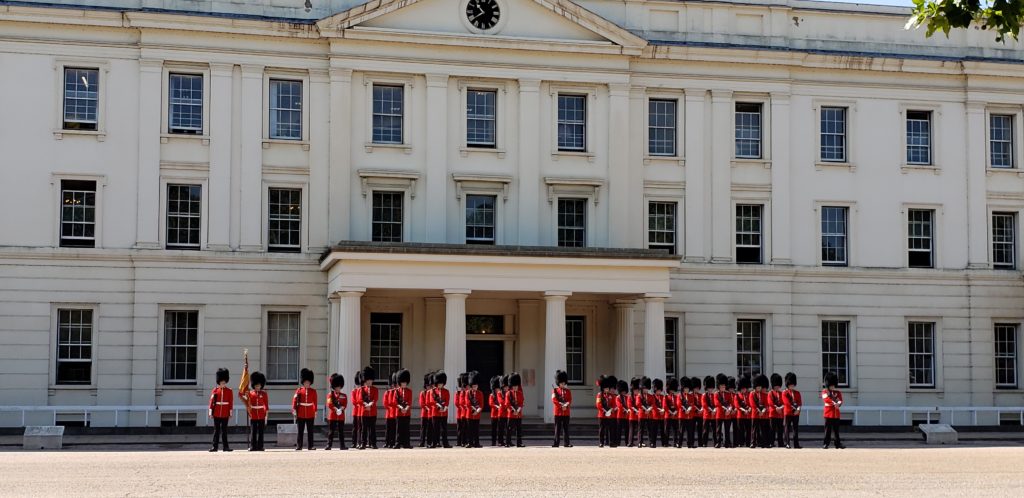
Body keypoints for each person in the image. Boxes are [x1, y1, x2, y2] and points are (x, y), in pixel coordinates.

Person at [241, 370, 268, 451]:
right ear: (254, 385)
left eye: (259, 385)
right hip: (253, 414)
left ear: (261, 385)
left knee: (261, 432)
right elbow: (245, 400)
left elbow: (266, 405)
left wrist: (266, 416)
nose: (257, 387)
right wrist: (244, 394)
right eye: (256, 385)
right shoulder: (250, 393)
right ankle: (253, 446)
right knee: (253, 431)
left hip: (261, 414)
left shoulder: (264, 393)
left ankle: (260, 446)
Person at [208, 368, 233, 452]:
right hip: (217, 413)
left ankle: (226, 447)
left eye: (224, 383)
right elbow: (211, 402)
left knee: (224, 431)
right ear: (219, 382)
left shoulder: (229, 391)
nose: (223, 384)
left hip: (225, 413)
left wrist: (230, 413)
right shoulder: (215, 391)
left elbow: (230, 402)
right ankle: (214, 447)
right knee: (216, 431)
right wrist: (211, 412)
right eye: (222, 383)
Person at [292, 367, 317, 451]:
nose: (307, 384)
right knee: (300, 431)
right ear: (303, 382)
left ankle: (311, 446)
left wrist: (315, 411)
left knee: (310, 431)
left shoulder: (313, 391)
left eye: (308, 382)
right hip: (301, 412)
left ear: (310, 383)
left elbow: (315, 402)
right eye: (306, 382)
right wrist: (294, 409)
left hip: (310, 412)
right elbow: (294, 400)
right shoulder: (299, 390)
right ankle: (299, 446)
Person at [324, 373, 348, 450]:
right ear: (334, 386)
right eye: (337, 386)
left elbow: (345, 404)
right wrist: (335, 409)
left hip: (341, 416)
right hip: (333, 416)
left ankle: (342, 445)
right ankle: (329, 445)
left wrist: (341, 409)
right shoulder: (330, 395)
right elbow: (329, 404)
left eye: (339, 386)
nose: (338, 388)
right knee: (331, 432)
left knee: (341, 432)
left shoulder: (344, 395)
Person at [822, 371, 845, 449]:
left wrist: (838, 403)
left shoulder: (837, 392)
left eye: (833, 385)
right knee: (827, 431)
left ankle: (837, 443)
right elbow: (826, 399)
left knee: (836, 431)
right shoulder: (825, 392)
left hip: (836, 414)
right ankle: (826, 444)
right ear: (828, 385)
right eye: (831, 385)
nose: (832, 387)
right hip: (828, 414)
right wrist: (834, 403)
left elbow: (840, 400)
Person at [358, 366, 379, 449]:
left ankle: (373, 443)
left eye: (370, 380)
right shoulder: (362, 389)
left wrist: (370, 404)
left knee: (372, 429)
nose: (369, 382)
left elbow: (375, 398)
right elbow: (360, 399)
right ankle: (363, 443)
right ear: (365, 380)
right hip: (364, 411)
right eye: (368, 380)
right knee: (364, 429)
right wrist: (365, 405)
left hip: (372, 411)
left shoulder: (375, 389)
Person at [552, 370, 573, 447]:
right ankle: (556, 443)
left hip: (566, 412)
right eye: (561, 383)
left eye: (564, 383)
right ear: (558, 383)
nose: (563, 385)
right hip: (558, 412)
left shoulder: (568, 391)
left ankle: (566, 443)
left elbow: (569, 400)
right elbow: (554, 400)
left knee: (566, 429)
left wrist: (566, 405)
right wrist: (561, 406)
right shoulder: (555, 391)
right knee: (557, 429)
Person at [430, 371, 451, 448]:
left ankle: (445, 443)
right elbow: (432, 401)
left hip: (444, 413)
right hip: (436, 413)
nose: (440, 385)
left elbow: (447, 401)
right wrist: (439, 407)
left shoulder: (446, 391)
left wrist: (444, 408)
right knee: (435, 429)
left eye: (441, 384)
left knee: (444, 429)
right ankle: (434, 443)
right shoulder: (433, 391)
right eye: (439, 384)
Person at [750, 373, 770, 448]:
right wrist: (759, 411)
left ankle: (763, 443)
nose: (759, 388)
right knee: (754, 430)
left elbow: (766, 404)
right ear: (755, 387)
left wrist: (763, 411)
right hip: (755, 414)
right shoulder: (752, 394)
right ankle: (753, 443)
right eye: (757, 387)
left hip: (762, 415)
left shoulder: (763, 394)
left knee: (763, 430)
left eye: (760, 387)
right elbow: (752, 404)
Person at [783, 372, 802, 449]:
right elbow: (786, 402)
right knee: (787, 428)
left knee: (795, 429)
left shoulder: (797, 393)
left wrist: (798, 410)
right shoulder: (785, 393)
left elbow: (799, 402)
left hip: (796, 413)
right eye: (791, 385)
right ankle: (787, 443)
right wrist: (794, 408)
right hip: (788, 412)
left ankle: (796, 444)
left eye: (793, 385)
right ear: (788, 384)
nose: (792, 386)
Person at [505, 372, 524, 447]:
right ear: (511, 386)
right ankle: (508, 442)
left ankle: (519, 443)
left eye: (516, 386)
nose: (515, 387)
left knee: (519, 429)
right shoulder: (508, 393)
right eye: (514, 386)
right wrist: (513, 411)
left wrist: (518, 410)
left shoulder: (520, 393)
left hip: (518, 414)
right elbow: (507, 404)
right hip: (511, 414)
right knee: (509, 429)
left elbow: (521, 402)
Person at [395, 369, 413, 449]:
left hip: (407, 412)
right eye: (402, 382)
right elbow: (395, 401)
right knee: (399, 429)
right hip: (399, 412)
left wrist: (406, 408)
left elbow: (409, 401)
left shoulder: (409, 391)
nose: (404, 384)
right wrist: (401, 408)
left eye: (405, 382)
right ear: (400, 382)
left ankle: (406, 443)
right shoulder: (396, 391)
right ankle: (398, 443)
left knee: (406, 429)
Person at [466, 371, 484, 448]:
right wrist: (473, 410)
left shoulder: (480, 393)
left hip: (477, 414)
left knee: (476, 430)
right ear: (471, 386)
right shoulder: (468, 393)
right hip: (469, 414)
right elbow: (467, 403)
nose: (474, 388)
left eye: (476, 386)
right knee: (469, 430)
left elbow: (481, 404)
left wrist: (477, 411)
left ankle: (476, 443)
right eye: (473, 386)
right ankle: (470, 443)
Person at [734, 375, 752, 449]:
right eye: (742, 388)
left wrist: (749, 409)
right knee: (740, 430)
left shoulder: (749, 395)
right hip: (740, 415)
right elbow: (737, 405)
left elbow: (751, 403)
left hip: (748, 415)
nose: (744, 390)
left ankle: (748, 443)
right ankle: (740, 443)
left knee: (748, 430)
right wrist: (744, 410)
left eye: (745, 388)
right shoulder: (737, 396)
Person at [769, 373, 786, 448]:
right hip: (773, 413)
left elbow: (784, 402)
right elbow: (770, 402)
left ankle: (780, 443)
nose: (777, 387)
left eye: (778, 386)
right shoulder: (770, 393)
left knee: (780, 430)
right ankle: (771, 442)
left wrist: (781, 408)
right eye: (776, 386)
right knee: (772, 430)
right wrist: (776, 408)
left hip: (780, 414)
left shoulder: (782, 393)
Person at [700, 375, 716, 448]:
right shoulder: (704, 395)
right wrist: (711, 410)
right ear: (707, 388)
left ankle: (716, 442)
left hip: (713, 415)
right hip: (706, 415)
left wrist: (714, 410)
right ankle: (704, 443)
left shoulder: (714, 395)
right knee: (705, 430)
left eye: (712, 388)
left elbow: (716, 404)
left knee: (715, 430)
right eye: (709, 388)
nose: (711, 389)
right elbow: (704, 405)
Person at [488, 375, 504, 446]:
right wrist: (497, 406)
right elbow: (491, 403)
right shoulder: (492, 395)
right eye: (496, 388)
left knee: (501, 429)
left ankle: (500, 441)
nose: (498, 390)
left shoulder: (501, 394)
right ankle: (493, 442)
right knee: (493, 430)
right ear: (494, 388)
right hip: (494, 414)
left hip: (500, 414)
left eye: (498, 388)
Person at [649, 378, 664, 448]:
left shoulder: (662, 397)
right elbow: (653, 405)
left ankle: (664, 443)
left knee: (662, 431)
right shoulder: (652, 397)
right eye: (658, 390)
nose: (659, 391)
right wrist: (659, 410)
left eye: (660, 390)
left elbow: (664, 404)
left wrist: (663, 410)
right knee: (654, 431)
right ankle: (653, 443)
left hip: (662, 416)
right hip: (654, 415)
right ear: (655, 390)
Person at [383, 372, 397, 449]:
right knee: (388, 429)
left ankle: (393, 442)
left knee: (394, 429)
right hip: (389, 414)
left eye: (394, 384)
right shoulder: (387, 393)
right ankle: (387, 442)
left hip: (395, 413)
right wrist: (391, 407)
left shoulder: (396, 392)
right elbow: (385, 403)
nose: (392, 386)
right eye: (392, 384)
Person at [419, 372, 433, 447]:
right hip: (424, 413)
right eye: (427, 386)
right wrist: (427, 408)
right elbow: (422, 404)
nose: (429, 387)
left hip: (431, 414)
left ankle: (429, 442)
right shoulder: (422, 393)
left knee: (430, 429)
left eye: (430, 386)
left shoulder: (432, 393)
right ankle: (422, 442)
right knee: (423, 429)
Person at [350, 370, 363, 449]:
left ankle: (360, 442)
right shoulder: (354, 391)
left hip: (361, 412)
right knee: (355, 428)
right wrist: (360, 403)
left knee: (361, 428)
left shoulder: (362, 390)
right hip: (356, 412)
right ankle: (354, 442)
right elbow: (354, 401)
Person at [627, 377, 641, 447]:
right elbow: (630, 406)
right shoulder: (630, 397)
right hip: (632, 415)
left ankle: (639, 442)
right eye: (636, 390)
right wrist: (636, 410)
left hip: (638, 415)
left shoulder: (639, 396)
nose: (637, 391)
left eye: (638, 390)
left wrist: (638, 411)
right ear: (633, 390)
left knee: (639, 430)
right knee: (631, 430)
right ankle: (630, 442)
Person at [455, 372, 468, 447]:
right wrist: (463, 407)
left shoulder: (467, 392)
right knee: (460, 429)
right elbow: (457, 403)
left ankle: (464, 441)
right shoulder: (458, 393)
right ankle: (459, 441)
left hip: (466, 413)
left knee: (466, 428)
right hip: (460, 413)